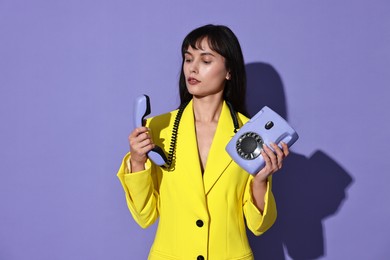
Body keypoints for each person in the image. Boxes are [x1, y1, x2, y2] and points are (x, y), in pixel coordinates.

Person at [117, 24, 289, 260]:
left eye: (206, 61)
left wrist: (260, 180)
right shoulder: (157, 128)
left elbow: (259, 225)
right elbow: (144, 214)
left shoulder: (251, 135)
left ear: (229, 71)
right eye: (188, 59)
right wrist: (137, 161)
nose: (193, 68)